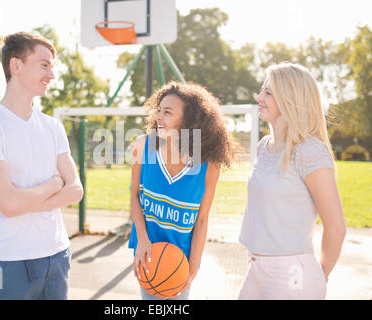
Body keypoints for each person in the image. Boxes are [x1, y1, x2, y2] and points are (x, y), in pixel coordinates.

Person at [0, 32, 83, 300]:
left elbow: (75, 191)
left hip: (56, 256)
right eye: (44, 65)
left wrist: (22, 203)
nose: (52, 75)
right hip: (9, 262)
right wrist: (53, 186)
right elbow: (8, 204)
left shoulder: (53, 127)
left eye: (52, 66)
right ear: (16, 66)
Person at [238, 62, 346, 300]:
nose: (259, 98)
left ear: (290, 99)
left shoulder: (309, 150)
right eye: (262, 91)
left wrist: (321, 273)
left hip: (292, 275)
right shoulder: (263, 147)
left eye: (268, 93)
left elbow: (336, 227)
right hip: (255, 267)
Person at [128, 81, 236, 300]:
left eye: (168, 112)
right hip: (149, 252)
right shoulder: (143, 146)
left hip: (181, 258)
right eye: (159, 111)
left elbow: (202, 219)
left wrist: (193, 268)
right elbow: (134, 196)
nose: (159, 116)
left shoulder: (207, 164)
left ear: (189, 120)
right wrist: (142, 240)